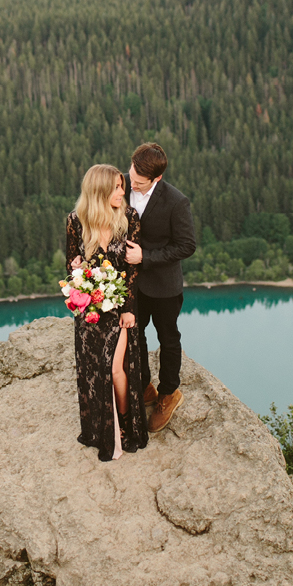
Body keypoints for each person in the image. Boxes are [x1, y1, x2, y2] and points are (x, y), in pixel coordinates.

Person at [66, 165, 148, 462]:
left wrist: (127, 309)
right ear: (99, 191)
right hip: (90, 312)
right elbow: (71, 264)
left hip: (119, 310)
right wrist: (76, 270)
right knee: (95, 371)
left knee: (116, 369)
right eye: (115, 187)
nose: (122, 192)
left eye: (122, 185)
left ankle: (125, 427)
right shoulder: (76, 222)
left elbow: (133, 269)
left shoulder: (129, 219)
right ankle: (99, 428)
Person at [124, 143, 196, 433]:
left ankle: (169, 393)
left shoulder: (176, 201)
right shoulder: (123, 181)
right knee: (134, 334)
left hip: (164, 285)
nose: (132, 181)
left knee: (168, 339)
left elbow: (187, 245)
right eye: (131, 173)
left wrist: (146, 258)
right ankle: (143, 388)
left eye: (139, 181)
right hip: (130, 283)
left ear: (157, 179)